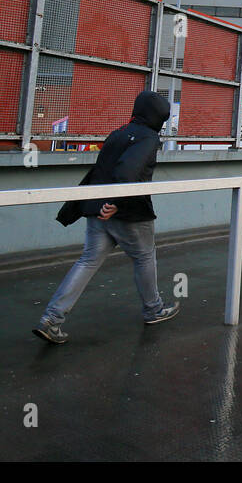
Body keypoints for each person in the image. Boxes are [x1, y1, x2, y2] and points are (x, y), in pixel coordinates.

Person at [33, 90, 180, 345]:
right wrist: (116, 203)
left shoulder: (118, 133)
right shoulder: (148, 138)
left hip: (97, 209)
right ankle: (153, 309)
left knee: (87, 261)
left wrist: (98, 203)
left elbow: (100, 171)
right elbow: (128, 172)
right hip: (128, 212)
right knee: (144, 256)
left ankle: (51, 319)